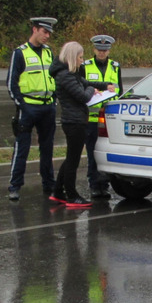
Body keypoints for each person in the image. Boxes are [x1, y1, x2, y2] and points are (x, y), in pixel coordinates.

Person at [49, 41, 113, 207]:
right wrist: (93, 91)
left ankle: (57, 191)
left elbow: (86, 84)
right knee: (73, 160)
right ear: (71, 57)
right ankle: (71, 195)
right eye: (79, 57)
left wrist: (105, 86)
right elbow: (83, 95)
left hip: (76, 120)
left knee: (70, 157)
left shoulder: (72, 74)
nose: (81, 61)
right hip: (73, 122)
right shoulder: (65, 76)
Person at [7, 17, 58, 201]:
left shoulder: (49, 52)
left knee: (47, 149)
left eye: (49, 33)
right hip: (28, 108)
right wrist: (23, 106)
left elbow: (56, 78)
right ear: (35, 29)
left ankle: (49, 184)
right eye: (45, 32)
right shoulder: (20, 53)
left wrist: (54, 102)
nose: (47, 36)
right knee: (22, 149)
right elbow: (11, 84)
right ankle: (15, 186)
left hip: (47, 108)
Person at [83, 35, 122, 198]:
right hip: (91, 118)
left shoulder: (115, 66)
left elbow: (120, 89)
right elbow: (82, 86)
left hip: (109, 119)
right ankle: (94, 184)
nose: (102, 53)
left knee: (107, 153)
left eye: (105, 50)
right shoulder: (85, 66)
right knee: (93, 153)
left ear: (109, 51)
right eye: (99, 50)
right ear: (94, 49)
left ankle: (104, 184)